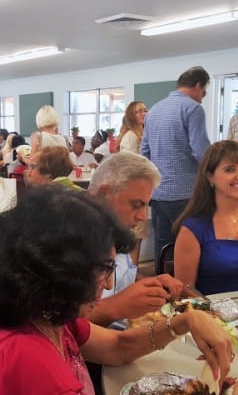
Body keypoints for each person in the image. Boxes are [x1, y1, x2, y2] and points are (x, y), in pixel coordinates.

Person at [0, 186, 238, 394]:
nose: (108, 283)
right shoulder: (34, 365)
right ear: (58, 269)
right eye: (104, 268)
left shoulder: (45, 317)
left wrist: (185, 320)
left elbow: (118, 347)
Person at [86, 152, 184, 327]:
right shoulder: (66, 241)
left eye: (146, 205)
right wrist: (117, 306)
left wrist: (150, 285)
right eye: (136, 205)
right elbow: (60, 324)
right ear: (103, 193)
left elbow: (122, 279)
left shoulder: (117, 234)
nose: (142, 216)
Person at [173, 140, 238, 295]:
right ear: (210, 177)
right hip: (209, 315)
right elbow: (184, 291)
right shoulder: (193, 228)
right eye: (230, 170)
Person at [141, 66, 211, 273]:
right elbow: (201, 153)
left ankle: (162, 295)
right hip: (186, 194)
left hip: (159, 193)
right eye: (204, 92)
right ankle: (186, 297)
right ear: (198, 86)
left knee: (163, 248)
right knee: (189, 246)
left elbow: (144, 152)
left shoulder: (154, 110)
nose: (202, 98)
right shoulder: (193, 109)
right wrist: (215, 175)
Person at [116, 101, 149, 264]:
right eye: (138, 112)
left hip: (142, 189)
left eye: (145, 110)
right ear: (131, 116)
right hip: (133, 191)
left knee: (138, 236)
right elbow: (127, 166)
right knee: (133, 236)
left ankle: (133, 271)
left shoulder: (144, 133)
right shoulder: (130, 137)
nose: (143, 114)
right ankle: (130, 273)